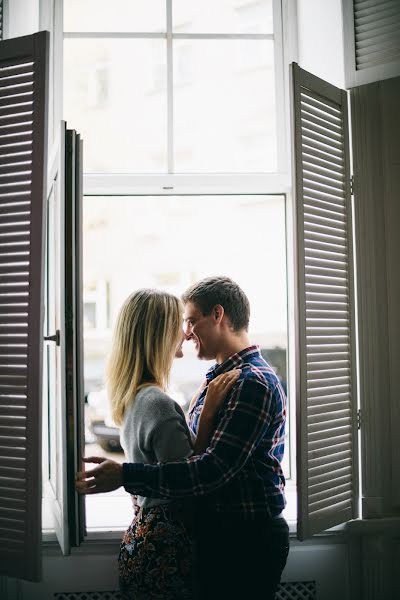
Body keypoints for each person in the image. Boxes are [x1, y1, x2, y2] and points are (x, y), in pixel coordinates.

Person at [76, 277, 289, 600]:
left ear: (218, 315)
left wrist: (125, 475)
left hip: (244, 540)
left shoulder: (251, 383)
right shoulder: (213, 384)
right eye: (181, 323)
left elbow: (210, 471)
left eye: (191, 321)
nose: (186, 333)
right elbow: (192, 462)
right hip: (221, 538)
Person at [86, 288, 240, 600]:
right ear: (159, 334)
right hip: (164, 549)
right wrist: (208, 414)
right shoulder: (158, 403)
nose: (186, 333)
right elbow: (189, 483)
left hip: (142, 540)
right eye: (178, 324)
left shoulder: (135, 397)